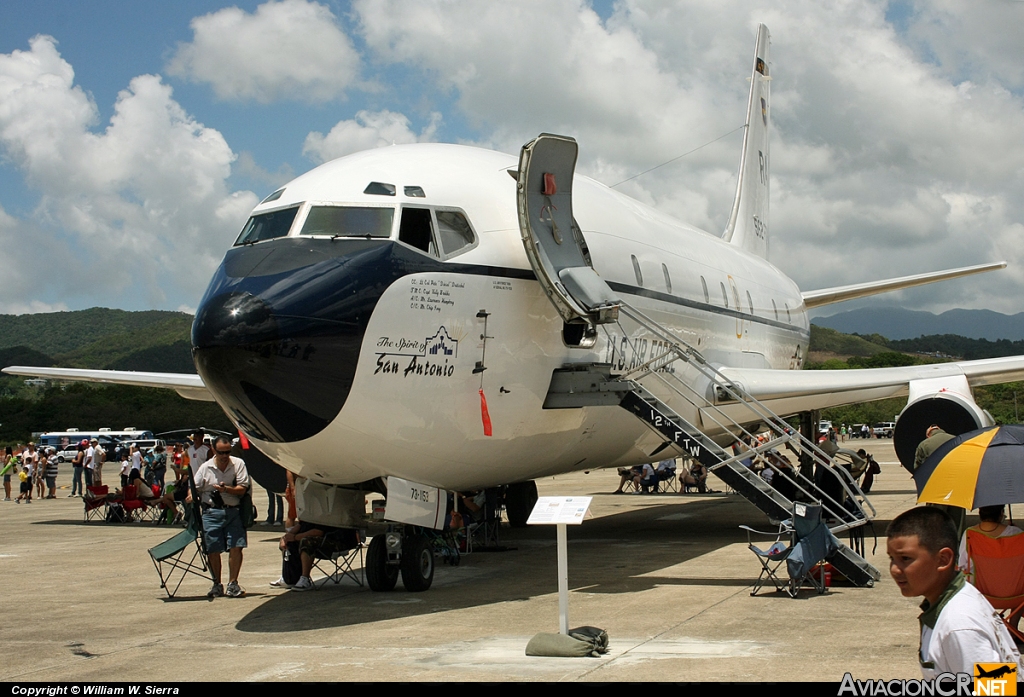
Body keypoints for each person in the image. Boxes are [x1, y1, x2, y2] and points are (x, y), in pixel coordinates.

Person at [887, 506, 1022, 679]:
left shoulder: (959, 624)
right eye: (892, 558)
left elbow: (995, 688)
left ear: (943, 559)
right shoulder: (947, 604)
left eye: (906, 558)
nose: (895, 570)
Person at [188, 436, 250, 598]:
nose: (225, 456)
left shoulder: (238, 464)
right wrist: (191, 496)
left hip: (233, 511)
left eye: (228, 452)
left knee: (237, 546)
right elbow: (194, 487)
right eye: (221, 452)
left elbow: (242, 488)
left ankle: (233, 583)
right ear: (214, 451)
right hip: (211, 512)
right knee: (212, 549)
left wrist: (226, 490)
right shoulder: (205, 467)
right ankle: (217, 583)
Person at [914, 425, 965, 536]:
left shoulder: (924, 444)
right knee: (957, 523)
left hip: (936, 486)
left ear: (929, 434)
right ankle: (956, 548)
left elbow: (918, 468)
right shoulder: (958, 440)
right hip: (956, 486)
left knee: (935, 521)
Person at [957, 505, 1022, 578]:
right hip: (1010, 584)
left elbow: (962, 565)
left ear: (980, 512)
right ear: (1001, 513)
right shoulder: (1016, 534)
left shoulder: (969, 534)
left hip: (976, 585)